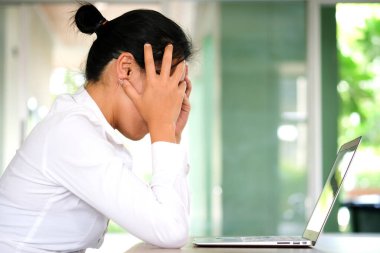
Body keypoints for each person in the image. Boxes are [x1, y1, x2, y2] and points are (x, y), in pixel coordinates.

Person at [0, 3, 193, 252]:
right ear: (126, 69)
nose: (172, 102)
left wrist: (172, 135)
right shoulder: (71, 132)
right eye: (165, 85)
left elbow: (173, 222)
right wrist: (163, 129)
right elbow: (170, 230)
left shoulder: (85, 128)